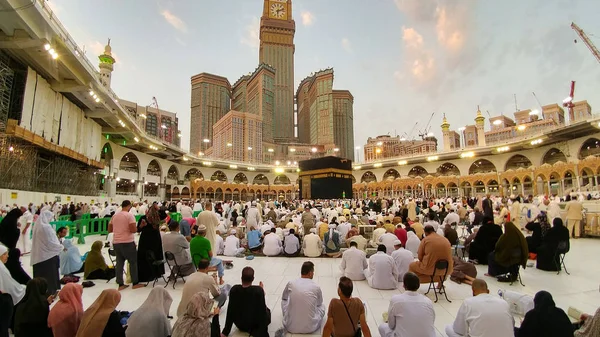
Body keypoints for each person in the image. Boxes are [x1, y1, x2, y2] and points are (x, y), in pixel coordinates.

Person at [445, 279, 514, 337]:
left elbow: (459, 330)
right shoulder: (503, 303)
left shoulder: (468, 302)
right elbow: (512, 324)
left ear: (473, 291)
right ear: (488, 291)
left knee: (449, 328)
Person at [379, 272, 435, 337]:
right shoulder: (428, 302)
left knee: (382, 327)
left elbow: (391, 325)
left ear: (403, 285)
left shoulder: (396, 300)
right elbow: (431, 321)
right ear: (418, 286)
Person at [222, 267, 271, 337]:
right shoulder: (258, 291)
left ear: (241, 278)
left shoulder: (234, 289)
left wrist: (225, 331)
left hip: (240, 325)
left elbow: (230, 311)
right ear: (253, 279)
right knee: (267, 311)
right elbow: (262, 314)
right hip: (254, 326)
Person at [281, 261, 325, 334]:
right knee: (322, 306)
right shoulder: (316, 287)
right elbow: (319, 303)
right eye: (313, 272)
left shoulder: (291, 283)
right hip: (311, 327)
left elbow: (284, 297)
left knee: (285, 301)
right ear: (310, 273)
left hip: (290, 326)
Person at [108, 200, 143, 290]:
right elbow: (133, 230)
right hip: (127, 242)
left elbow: (110, 229)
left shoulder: (115, 216)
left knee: (119, 263)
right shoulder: (129, 215)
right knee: (133, 263)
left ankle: (120, 284)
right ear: (129, 206)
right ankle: (135, 283)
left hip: (116, 242)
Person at [30, 210, 63, 294]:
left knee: (40, 276)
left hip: (39, 255)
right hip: (48, 256)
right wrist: (60, 247)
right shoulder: (46, 227)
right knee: (49, 276)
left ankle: (40, 291)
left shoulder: (37, 226)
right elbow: (51, 242)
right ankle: (50, 291)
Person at [0, 208, 30, 284]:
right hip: (6, 248)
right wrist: (18, 229)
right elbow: (12, 236)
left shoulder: (6, 221)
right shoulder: (12, 224)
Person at [137, 204, 165, 283]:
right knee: (151, 255)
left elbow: (138, 230)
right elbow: (138, 229)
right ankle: (154, 273)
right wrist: (142, 225)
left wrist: (141, 226)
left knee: (150, 256)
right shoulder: (146, 219)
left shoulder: (155, 218)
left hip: (147, 240)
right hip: (153, 239)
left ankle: (152, 273)